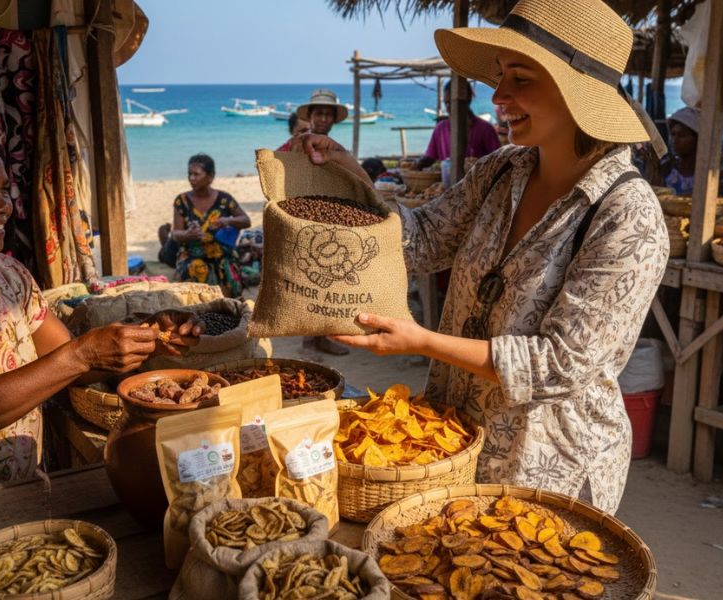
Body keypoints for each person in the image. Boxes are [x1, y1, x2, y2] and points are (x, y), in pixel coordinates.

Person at [293, 0, 669, 514]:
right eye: (500, 77)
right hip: (455, 437)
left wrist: (422, 341)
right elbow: (422, 238)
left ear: (578, 93)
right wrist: (351, 178)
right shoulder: (503, 170)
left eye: (521, 79)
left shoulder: (628, 216)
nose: (500, 95)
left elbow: (558, 365)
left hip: (546, 466)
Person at [0, 124, 204, 494]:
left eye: (4, 190)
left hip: (23, 492)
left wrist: (148, 336)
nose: (5, 205)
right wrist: (81, 354)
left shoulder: (8, 276)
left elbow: (70, 365)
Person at [287, 89, 351, 355]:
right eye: (319, 113)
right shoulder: (296, 145)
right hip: (302, 218)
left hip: (329, 219)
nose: (324, 118)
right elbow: (279, 174)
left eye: (328, 114)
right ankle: (309, 341)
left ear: (334, 119)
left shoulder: (337, 148)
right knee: (306, 282)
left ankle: (323, 336)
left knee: (327, 281)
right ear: (310, 117)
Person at [170, 153, 251, 297]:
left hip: (221, 254)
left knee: (231, 279)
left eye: (196, 174)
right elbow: (176, 233)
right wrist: (188, 234)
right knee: (195, 271)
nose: (191, 178)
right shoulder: (181, 201)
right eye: (189, 174)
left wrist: (228, 221)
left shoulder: (224, 200)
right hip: (192, 254)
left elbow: (246, 220)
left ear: (210, 177)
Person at [412, 79, 501, 171]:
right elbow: (430, 157)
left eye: (454, 102)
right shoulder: (440, 129)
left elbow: (498, 162)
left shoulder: (485, 129)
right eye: (447, 103)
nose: (449, 107)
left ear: (468, 99)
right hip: (448, 184)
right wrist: (415, 166)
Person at [644, 107, 699, 196]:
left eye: (682, 135)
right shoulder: (667, 168)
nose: (675, 140)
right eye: (673, 134)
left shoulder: (703, 173)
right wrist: (654, 167)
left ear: (696, 139)